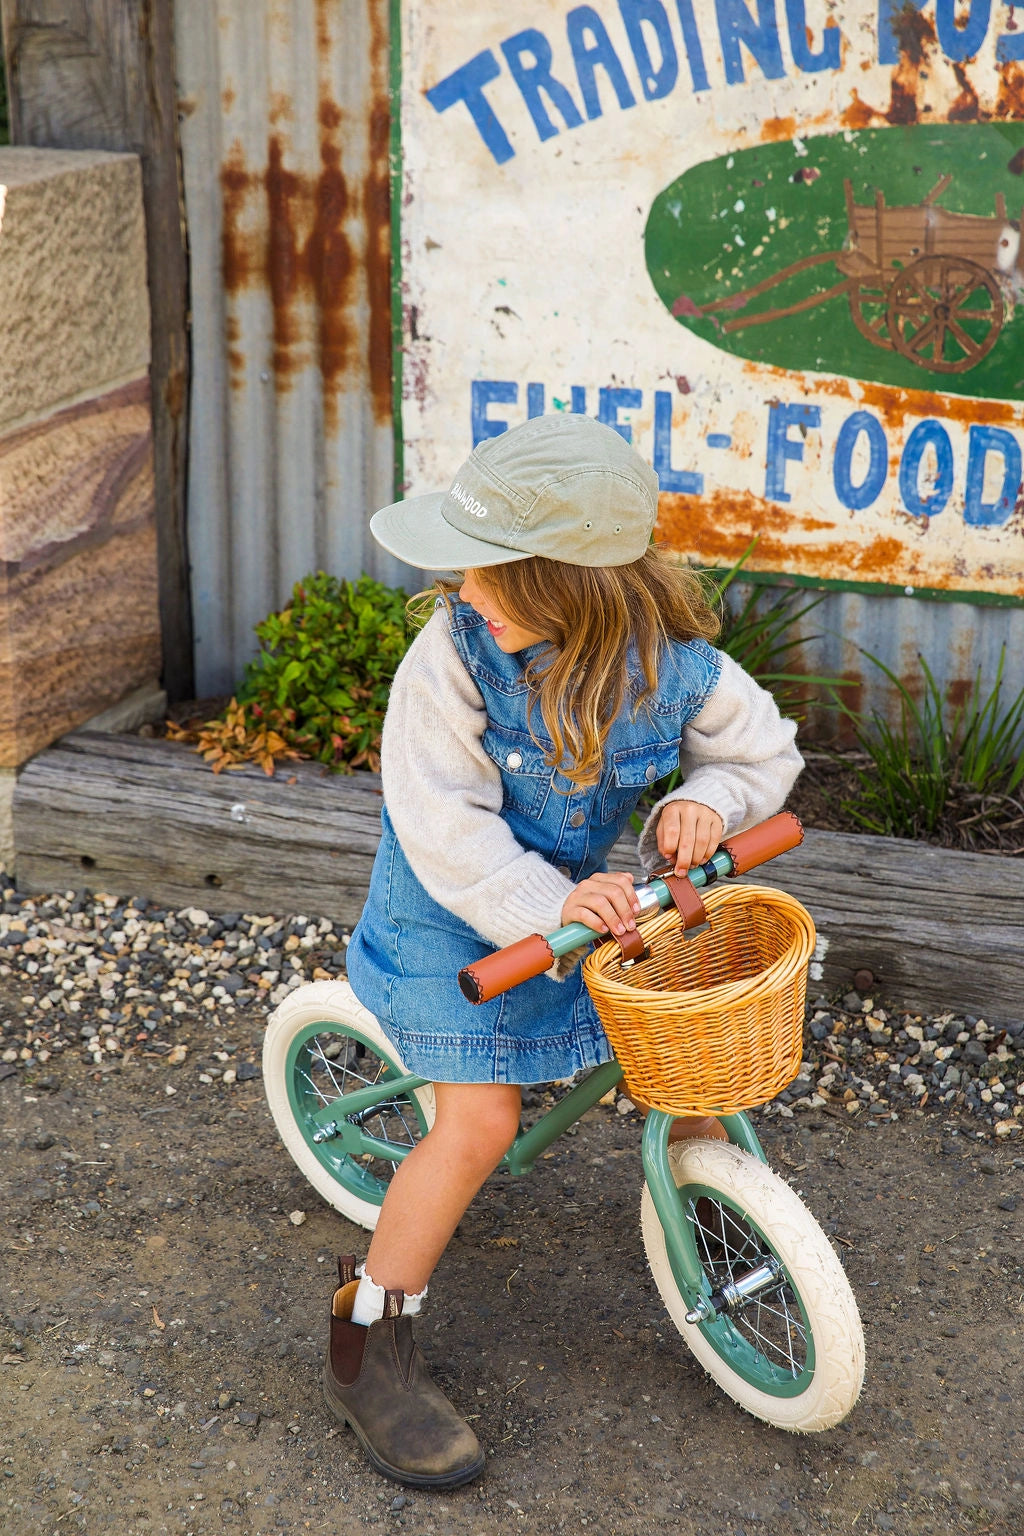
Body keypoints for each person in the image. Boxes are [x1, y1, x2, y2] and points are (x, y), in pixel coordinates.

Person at [325, 413, 802, 1487]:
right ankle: (368, 1336)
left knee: (681, 1057)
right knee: (479, 1120)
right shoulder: (449, 661)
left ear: (569, 590)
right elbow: (444, 828)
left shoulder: (676, 668)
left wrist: (709, 802)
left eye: (484, 574)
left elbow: (760, 754)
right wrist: (552, 907)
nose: (460, 591)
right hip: (459, 913)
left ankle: (716, 1213)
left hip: (594, 915)